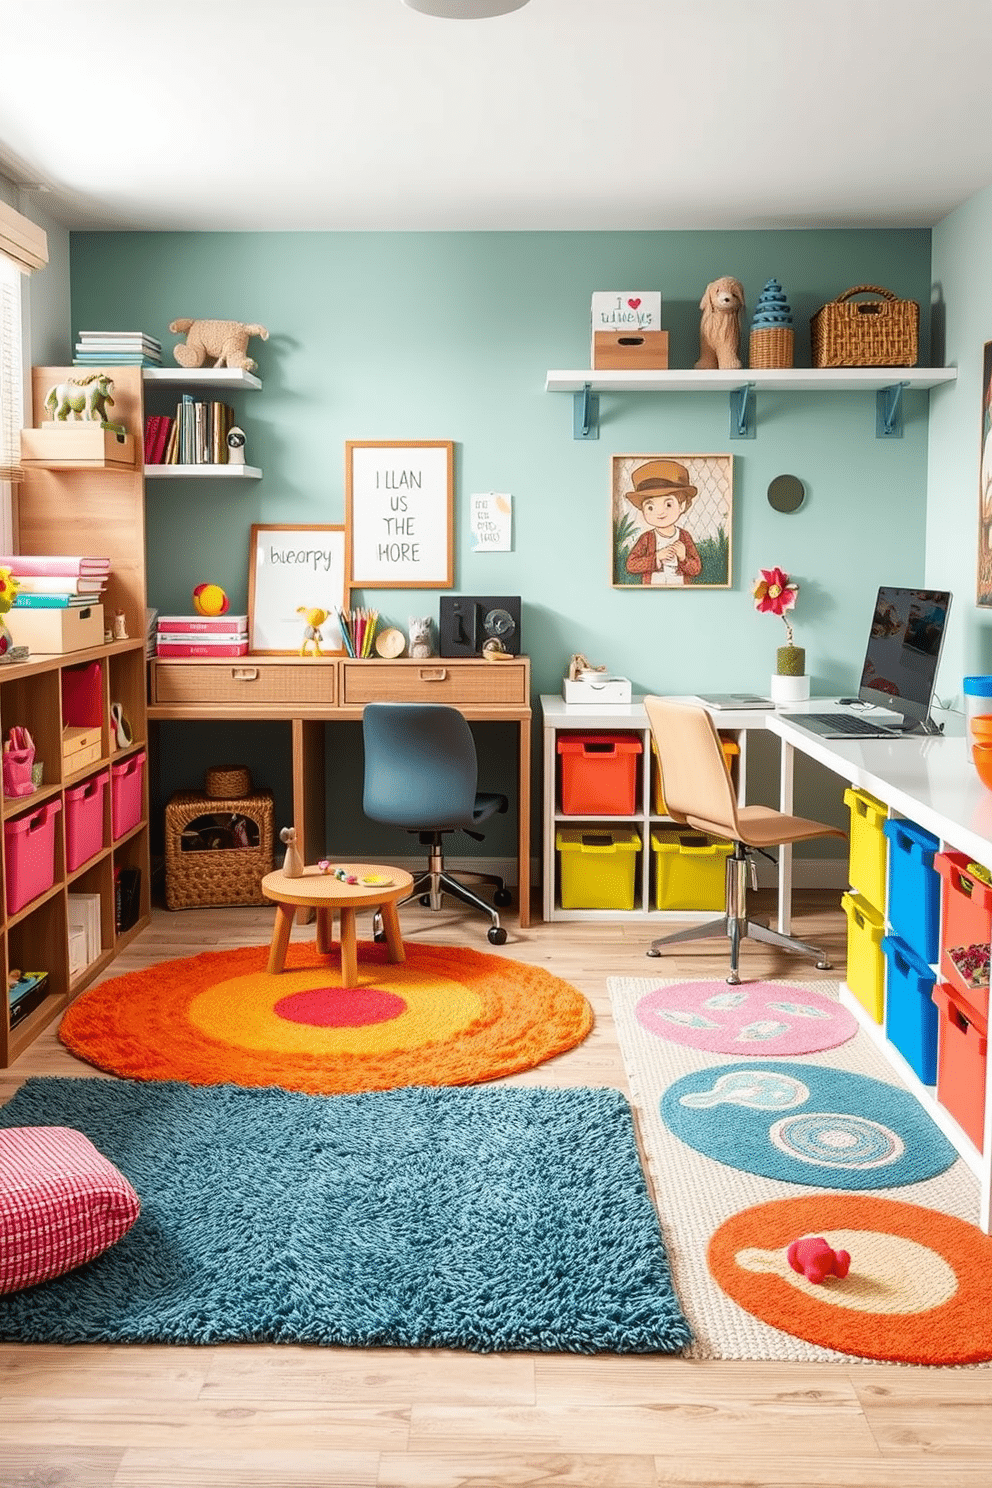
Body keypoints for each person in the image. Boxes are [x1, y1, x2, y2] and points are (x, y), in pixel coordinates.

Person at [624, 459, 702, 586]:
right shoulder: (647, 538)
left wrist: (683, 558)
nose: (660, 513)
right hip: (652, 589)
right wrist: (657, 557)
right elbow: (631, 565)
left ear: (681, 506)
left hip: (682, 591)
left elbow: (696, 569)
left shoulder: (684, 537)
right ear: (642, 511)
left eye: (668, 504)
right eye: (650, 507)